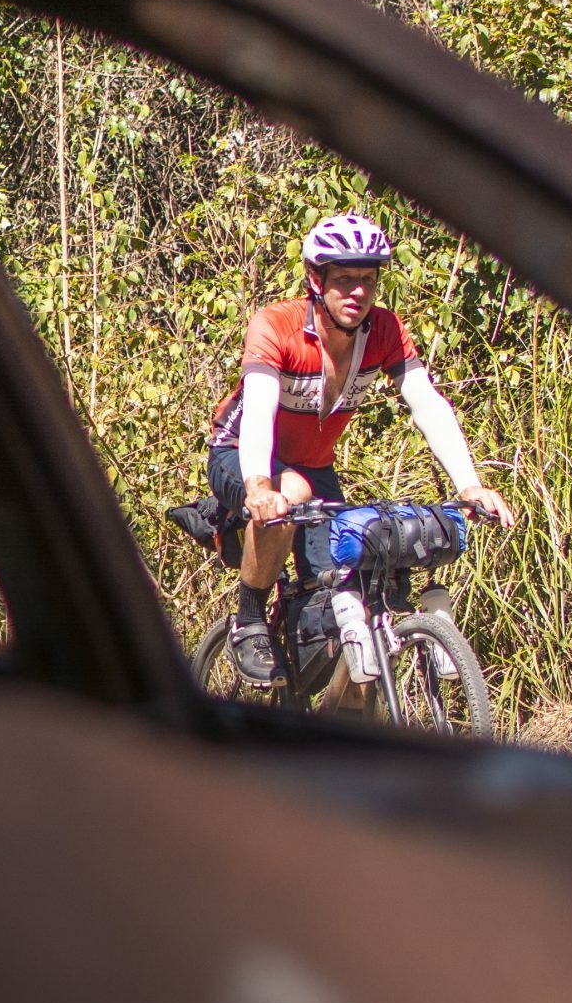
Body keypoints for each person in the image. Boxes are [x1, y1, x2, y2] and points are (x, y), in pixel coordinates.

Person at [205, 211, 517, 686]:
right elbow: (261, 411)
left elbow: (427, 404)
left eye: (368, 281)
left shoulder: (385, 331)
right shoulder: (278, 325)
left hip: (314, 465)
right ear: (316, 278)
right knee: (289, 490)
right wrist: (259, 487)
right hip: (242, 454)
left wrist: (470, 486)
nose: (358, 292)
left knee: (342, 579)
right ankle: (249, 619)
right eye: (345, 279)